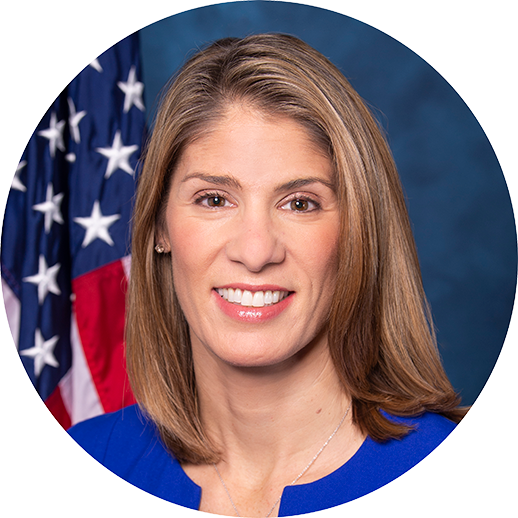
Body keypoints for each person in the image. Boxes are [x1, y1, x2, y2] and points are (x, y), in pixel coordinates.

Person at [69, 34, 465, 517]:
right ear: (158, 226)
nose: (255, 252)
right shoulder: (80, 465)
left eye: (300, 204)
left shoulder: (458, 479)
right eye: (214, 199)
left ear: (358, 234)